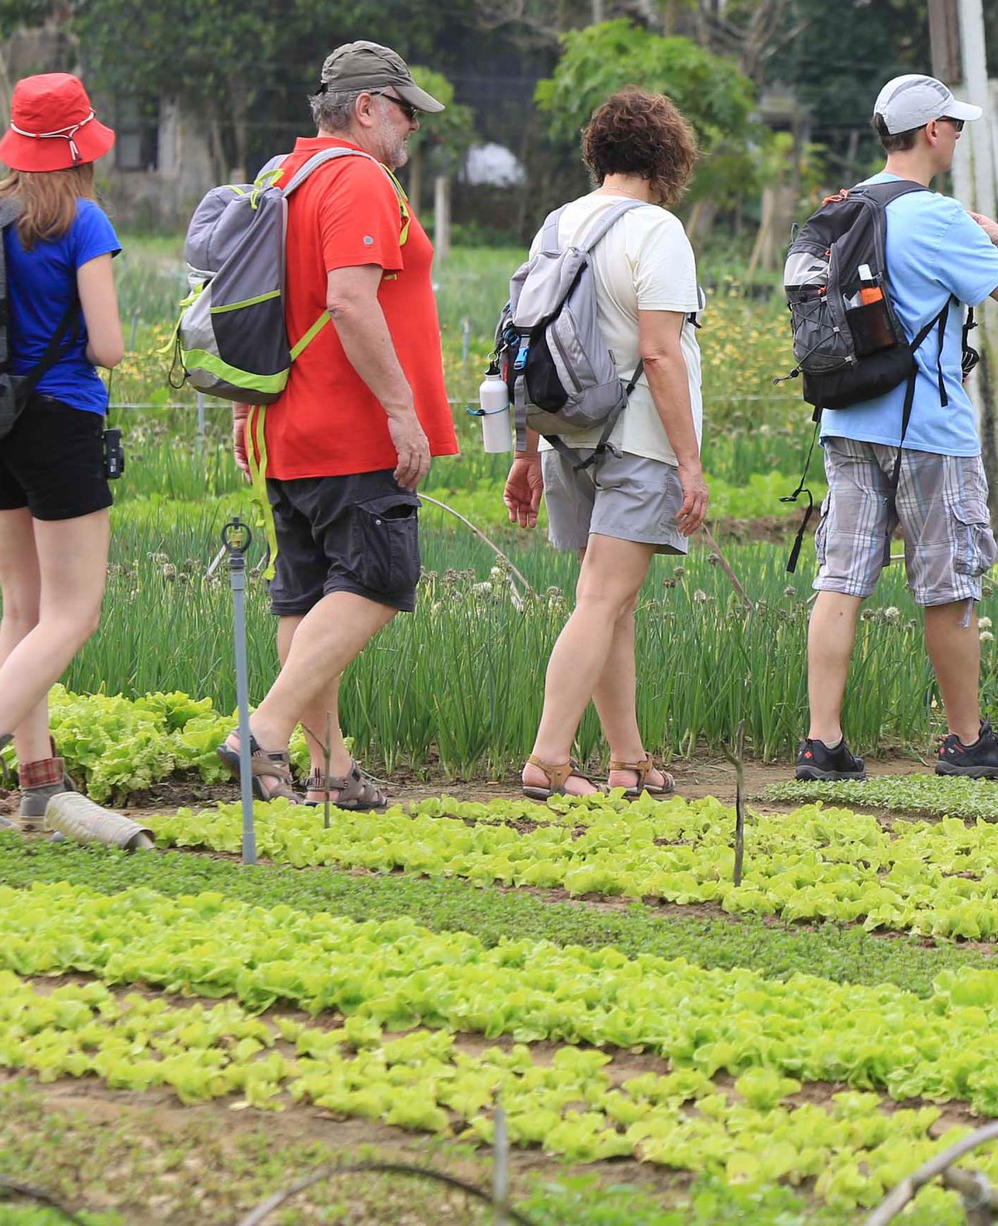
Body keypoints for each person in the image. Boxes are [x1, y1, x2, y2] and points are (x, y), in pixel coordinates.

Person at [220, 42, 458, 808]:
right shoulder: (356, 177)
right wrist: (401, 411)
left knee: (308, 596)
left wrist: (244, 405)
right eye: (403, 112)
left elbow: (251, 303)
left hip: (284, 425)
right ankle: (264, 730)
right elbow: (349, 302)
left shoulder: (281, 175)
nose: (411, 129)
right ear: (365, 107)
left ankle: (334, 770)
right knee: (383, 578)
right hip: (348, 426)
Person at [797, 74, 998, 781]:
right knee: (950, 583)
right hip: (928, 429)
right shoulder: (937, 217)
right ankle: (967, 740)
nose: (960, 135)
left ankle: (823, 741)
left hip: (844, 417)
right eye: (955, 125)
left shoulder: (841, 207)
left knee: (840, 578)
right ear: (932, 132)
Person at [0, 75, 129, 826]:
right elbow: (107, 347)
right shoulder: (82, 222)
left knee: (25, 605)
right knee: (74, 613)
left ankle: (39, 777)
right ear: (79, 146)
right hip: (61, 421)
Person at [505, 91, 707, 799]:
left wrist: (525, 452)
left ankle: (628, 760)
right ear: (668, 157)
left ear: (599, 151)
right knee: (600, 601)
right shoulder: (658, 231)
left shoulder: (558, 225)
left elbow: (522, 345)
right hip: (640, 444)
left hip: (568, 438)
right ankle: (548, 757)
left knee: (612, 604)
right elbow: (659, 353)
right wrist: (690, 462)